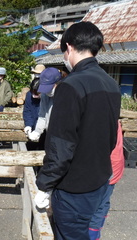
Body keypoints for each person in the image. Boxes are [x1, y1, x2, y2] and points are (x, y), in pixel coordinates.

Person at [34, 21, 121, 240]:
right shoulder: (111, 83)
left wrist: (44, 184)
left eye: (64, 51)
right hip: (100, 180)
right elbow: (111, 139)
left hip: (74, 187)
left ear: (69, 47)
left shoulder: (71, 85)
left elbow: (60, 146)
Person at [89, 121, 125, 240]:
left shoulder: (102, 119)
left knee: (96, 206)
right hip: (115, 165)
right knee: (103, 202)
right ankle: (96, 232)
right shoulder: (111, 113)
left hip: (107, 167)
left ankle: (92, 234)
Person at [27, 67, 62, 142]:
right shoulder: (45, 95)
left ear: (57, 83)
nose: (47, 91)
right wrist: (37, 131)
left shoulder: (66, 96)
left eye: (49, 87)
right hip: (50, 134)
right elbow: (42, 115)